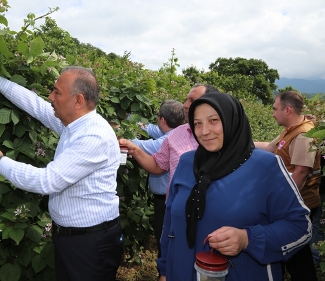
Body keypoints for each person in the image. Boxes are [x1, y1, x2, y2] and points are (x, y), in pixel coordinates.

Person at [0, 66, 123, 281]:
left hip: (91, 243)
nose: (50, 97)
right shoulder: (75, 125)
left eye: (57, 92)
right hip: (73, 238)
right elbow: (38, 107)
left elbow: (46, 181)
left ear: (78, 100)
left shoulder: (93, 136)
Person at [157, 92, 312, 281]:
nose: (204, 131)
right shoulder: (187, 162)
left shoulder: (265, 167)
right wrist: (164, 270)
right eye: (197, 123)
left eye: (213, 120)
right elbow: (170, 222)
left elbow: (300, 226)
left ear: (232, 120)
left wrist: (248, 238)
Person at [255, 91, 320, 280]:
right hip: (288, 204)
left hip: (297, 205)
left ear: (288, 110)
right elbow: (269, 148)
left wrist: (283, 205)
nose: (273, 113)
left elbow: (301, 173)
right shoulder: (291, 130)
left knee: (296, 254)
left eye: (275, 109)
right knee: (291, 251)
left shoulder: (304, 136)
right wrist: (241, 143)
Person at [118, 84, 219, 195]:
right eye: (186, 100)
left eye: (192, 100)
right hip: (175, 206)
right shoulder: (176, 134)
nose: (185, 105)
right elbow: (158, 165)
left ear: (210, 103)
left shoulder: (225, 135)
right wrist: (135, 150)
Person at [131, 100, 185, 259]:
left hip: (166, 201)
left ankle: (165, 273)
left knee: (165, 239)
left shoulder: (164, 143)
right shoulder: (178, 133)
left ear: (162, 119)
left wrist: (118, 132)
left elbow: (137, 144)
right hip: (166, 199)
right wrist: (130, 119)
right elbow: (152, 129)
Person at [305, 113, 325, 266]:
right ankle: (314, 260)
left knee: (312, 224)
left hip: (313, 191)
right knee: (314, 224)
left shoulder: (313, 144)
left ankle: (313, 260)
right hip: (317, 191)